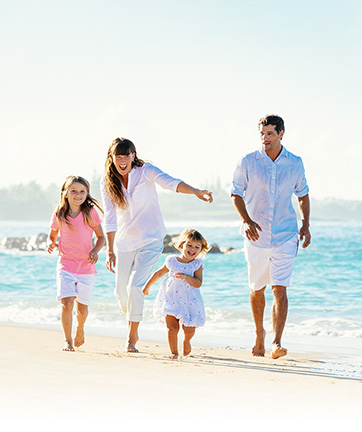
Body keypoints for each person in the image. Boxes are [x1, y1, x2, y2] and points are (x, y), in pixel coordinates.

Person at [101, 138, 213, 353]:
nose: (123, 160)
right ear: (112, 158)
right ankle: (131, 312)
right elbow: (110, 217)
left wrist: (196, 191)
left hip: (151, 239)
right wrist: (110, 249)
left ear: (134, 156)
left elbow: (171, 183)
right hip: (124, 242)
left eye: (127, 155)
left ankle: (131, 337)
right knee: (120, 292)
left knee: (135, 287)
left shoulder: (146, 171)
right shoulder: (107, 181)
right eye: (119, 156)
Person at [231, 114, 311, 359]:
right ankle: (259, 333)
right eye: (262, 134)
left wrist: (305, 225)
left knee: (280, 288)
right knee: (257, 289)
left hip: (286, 234)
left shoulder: (295, 162)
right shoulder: (248, 161)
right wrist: (246, 220)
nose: (265, 138)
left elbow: (302, 194)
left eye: (270, 133)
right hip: (255, 236)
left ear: (281, 134)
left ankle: (277, 343)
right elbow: (235, 193)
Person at [47, 176, 105, 351]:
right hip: (65, 265)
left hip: (86, 268)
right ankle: (67, 340)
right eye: (73, 191)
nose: (78, 195)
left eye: (82, 191)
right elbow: (53, 234)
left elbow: (101, 237)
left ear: (87, 194)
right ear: (65, 193)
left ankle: (80, 328)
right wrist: (51, 242)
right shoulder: (59, 213)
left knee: (82, 309)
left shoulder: (90, 213)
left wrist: (95, 251)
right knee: (67, 303)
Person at [143, 228, 209, 359]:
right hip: (171, 298)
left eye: (197, 247)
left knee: (189, 329)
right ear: (181, 246)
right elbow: (158, 274)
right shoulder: (172, 261)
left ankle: (186, 341)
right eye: (189, 245)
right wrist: (147, 285)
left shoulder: (197, 264)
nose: (192, 249)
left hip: (190, 301)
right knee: (172, 329)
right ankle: (174, 352)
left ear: (201, 250)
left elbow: (198, 283)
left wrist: (186, 277)